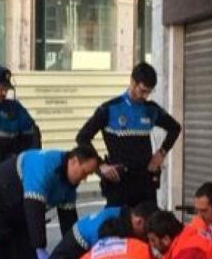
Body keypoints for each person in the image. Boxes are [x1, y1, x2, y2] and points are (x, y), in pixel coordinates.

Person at [76, 62, 181, 207]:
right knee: (119, 227)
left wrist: (161, 153)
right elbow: (82, 137)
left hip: (145, 182)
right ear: (132, 82)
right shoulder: (109, 109)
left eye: (149, 92)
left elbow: (175, 128)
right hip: (119, 182)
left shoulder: (151, 109)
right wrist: (100, 165)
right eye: (143, 90)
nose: (145, 96)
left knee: (150, 226)